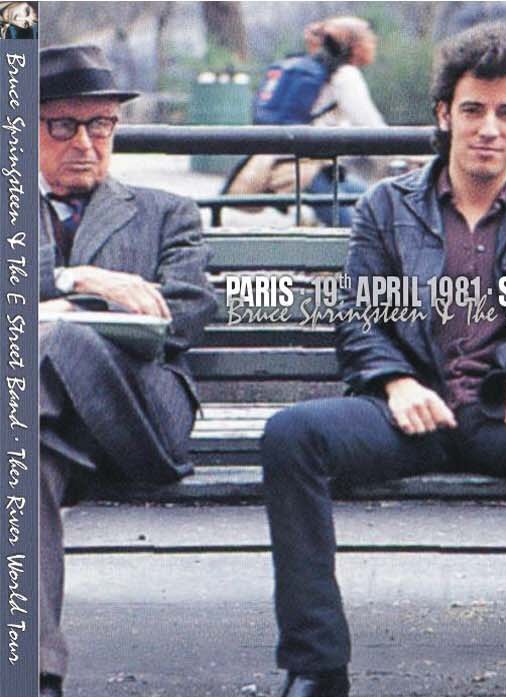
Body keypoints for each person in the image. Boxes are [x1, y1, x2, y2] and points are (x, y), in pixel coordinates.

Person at [261, 24, 506, 697]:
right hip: (412, 412)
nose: (489, 128)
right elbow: (357, 312)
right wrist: (395, 382)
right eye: (473, 109)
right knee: (292, 435)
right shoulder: (387, 205)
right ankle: (315, 667)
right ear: (444, 114)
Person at [37, 44, 216, 697]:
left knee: (53, 335)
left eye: (101, 125)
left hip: (139, 416)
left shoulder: (167, 212)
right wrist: (77, 278)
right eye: (64, 125)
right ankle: (34, 674)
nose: (85, 143)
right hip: (46, 431)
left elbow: (187, 312)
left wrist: (62, 311)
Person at [226, 15, 384, 224]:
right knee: (353, 228)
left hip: (296, 161)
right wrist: (400, 156)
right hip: (308, 166)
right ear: (356, 46)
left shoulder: (313, 67)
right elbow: (371, 126)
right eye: (368, 39)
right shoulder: (345, 75)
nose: (372, 44)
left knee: (373, 199)